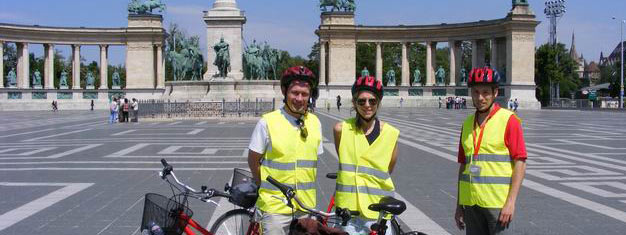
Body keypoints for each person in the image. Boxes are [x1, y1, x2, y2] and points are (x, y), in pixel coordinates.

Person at [247, 66, 323, 235]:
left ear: (310, 95)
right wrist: (264, 187)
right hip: (275, 207)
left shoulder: (315, 123)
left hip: (305, 206)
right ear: (284, 92)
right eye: (294, 93)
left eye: (304, 94)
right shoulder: (267, 122)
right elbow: (253, 161)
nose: (299, 98)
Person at [454, 67, 527, 235]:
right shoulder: (466, 124)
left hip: (497, 204)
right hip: (471, 203)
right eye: (476, 92)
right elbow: (463, 167)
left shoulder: (509, 120)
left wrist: (511, 202)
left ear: (495, 93)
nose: (480, 98)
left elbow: (520, 163)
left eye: (486, 92)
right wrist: (459, 205)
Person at [333, 75, 400, 234]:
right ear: (354, 103)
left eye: (372, 101)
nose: (367, 105)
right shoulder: (340, 129)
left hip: (379, 214)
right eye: (361, 101)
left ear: (378, 103)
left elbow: (388, 169)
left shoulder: (391, 133)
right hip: (348, 214)